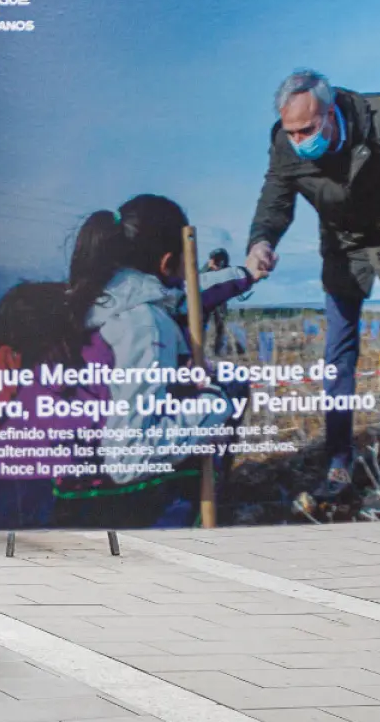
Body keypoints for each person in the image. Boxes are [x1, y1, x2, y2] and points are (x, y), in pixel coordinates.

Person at [246, 69, 380, 499]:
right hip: (342, 242)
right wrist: (261, 241)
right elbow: (275, 196)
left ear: (330, 112)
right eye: (292, 132)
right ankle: (338, 459)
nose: (299, 140)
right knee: (338, 352)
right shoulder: (284, 144)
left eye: (307, 129)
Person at [66, 198, 259, 527]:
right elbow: (128, 457)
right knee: (229, 388)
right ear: (169, 262)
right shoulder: (142, 323)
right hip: (103, 498)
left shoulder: (99, 298)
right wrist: (215, 402)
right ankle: (194, 511)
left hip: (71, 480)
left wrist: (245, 274)